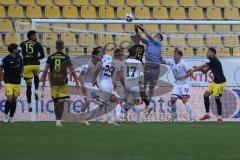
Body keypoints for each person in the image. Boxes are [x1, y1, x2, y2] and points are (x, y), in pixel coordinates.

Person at [41, 40, 84, 127]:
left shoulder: (50, 57)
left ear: (56, 47)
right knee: (61, 102)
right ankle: (59, 121)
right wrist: (76, 80)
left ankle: (57, 120)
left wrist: (43, 81)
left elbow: (45, 70)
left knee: (55, 101)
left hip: (53, 82)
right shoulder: (65, 57)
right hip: (63, 82)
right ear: (63, 47)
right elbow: (72, 70)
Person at [92, 48, 127, 125]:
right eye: (122, 55)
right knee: (111, 100)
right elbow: (121, 77)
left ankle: (108, 119)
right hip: (106, 85)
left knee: (110, 100)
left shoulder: (107, 59)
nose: (123, 57)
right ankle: (90, 117)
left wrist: (95, 78)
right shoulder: (119, 64)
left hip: (103, 83)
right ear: (119, 55)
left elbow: (100, 69)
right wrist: (124, 87)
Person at [134, 25, 163, 114]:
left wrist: (143, 29)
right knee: (143, 85)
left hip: (155, 67)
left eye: (157, 35)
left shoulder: (158, 43)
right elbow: (141, 38)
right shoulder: (149, 42)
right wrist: (136, 30)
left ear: (160, 39)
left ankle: (147, 106)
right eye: (155, 35)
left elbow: (148, 36)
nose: (155, 36)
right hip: (147, 66)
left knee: (151, 88)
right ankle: (144, 101)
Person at [193, 47, 226, 123]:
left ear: (213, 53)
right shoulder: (212, 61)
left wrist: (194, 69)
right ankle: (207, 114)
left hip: (220, 83)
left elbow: (201, 67)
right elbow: (204, 71)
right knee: (205, 95)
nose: (207, 53)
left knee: (217, 99)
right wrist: (199, 69)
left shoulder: (214, 60)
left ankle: (220, 118)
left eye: (209, 52)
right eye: (207, 52)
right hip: (215, 82)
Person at [161, 49, 196, 121]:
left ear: (180, 56)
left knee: (184, 99)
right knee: (173, 100)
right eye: (174, 54)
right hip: (177, 84)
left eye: (176, 54)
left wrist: (182, 77)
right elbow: (162, 61)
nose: (174, 55)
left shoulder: (183, 64)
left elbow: (190, 72)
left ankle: (192, 117)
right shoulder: (171, 61)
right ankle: (174, 115)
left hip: (184, 84)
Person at [20, 30, 45, 112]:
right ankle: (36, 91)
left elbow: (19, 55)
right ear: (31, 36)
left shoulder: (22, 44)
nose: (36, 37)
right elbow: (43, 55)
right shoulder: (37, 44)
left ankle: (29, 104)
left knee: (28, 86)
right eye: (35, 35)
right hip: (36, 65)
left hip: (26, 65)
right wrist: (36, 58)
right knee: (36, 76)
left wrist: (26, 58)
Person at [78, 46, 103, 125]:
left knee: (101, 102)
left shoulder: (99, 64)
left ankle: (90, 117)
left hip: (93, 86)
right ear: (95, 56)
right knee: (88, 102)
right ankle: (81, 118)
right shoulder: (87, 65)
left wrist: (96, 83)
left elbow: (95, 76)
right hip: (87, 85)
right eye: (99, 55)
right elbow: (80, 76)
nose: (101, 56)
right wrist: (83, 86)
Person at [0, 43, 23, 122]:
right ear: (13, 50)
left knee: (14, 99)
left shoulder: (19, 57)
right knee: (9, 99)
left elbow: (22, 66)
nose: (18, 49)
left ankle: (11, 117)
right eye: (17, 48)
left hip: (17, 82)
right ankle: (6, 115)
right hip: (8, 82)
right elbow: (0, 70)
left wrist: (22, 73)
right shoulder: (6, 59)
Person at [124, 48, 144, 122]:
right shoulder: (138, 62)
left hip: (126, 84)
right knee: (137, 101)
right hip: (135, 84)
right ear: (135, 54)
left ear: (129, 54)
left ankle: (122, 115)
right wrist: (141, 86)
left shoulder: (125, 61)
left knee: (126, 100)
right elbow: (141, 75)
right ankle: (137, 119)